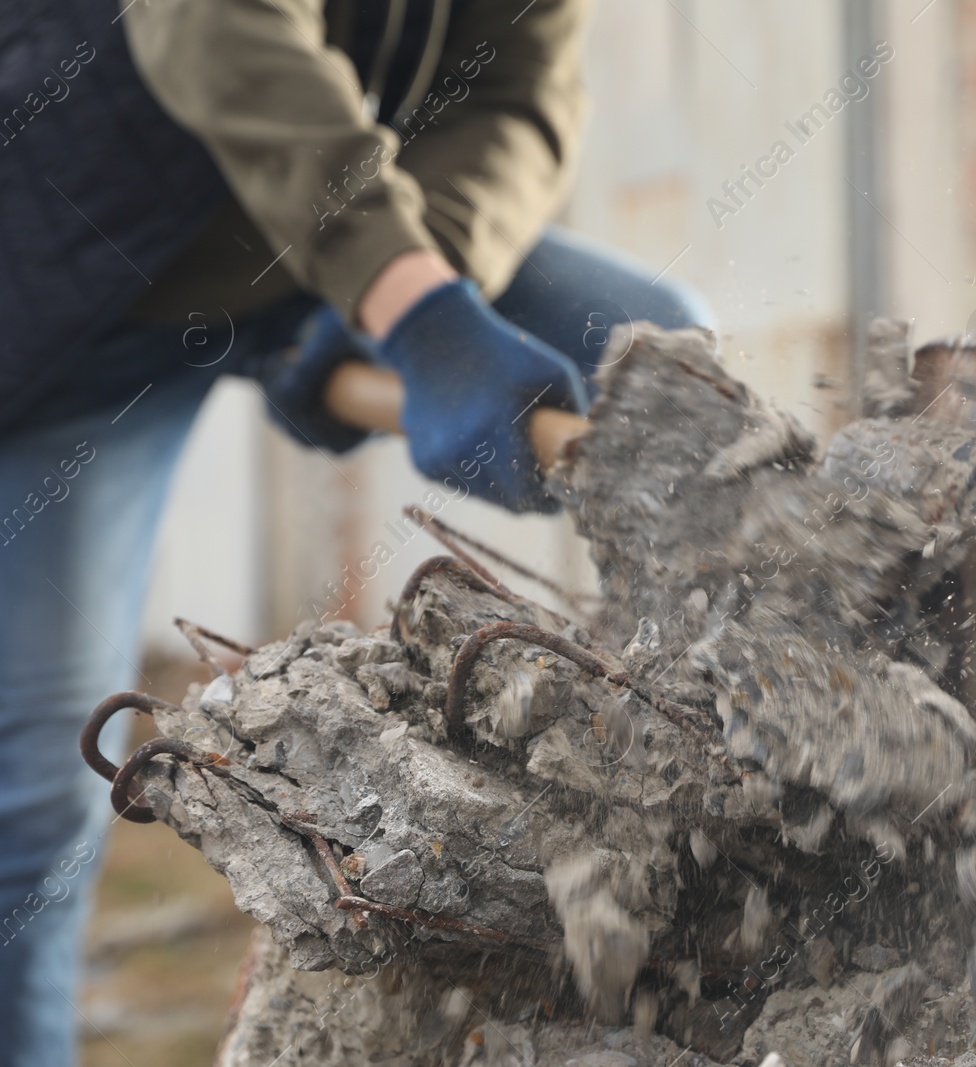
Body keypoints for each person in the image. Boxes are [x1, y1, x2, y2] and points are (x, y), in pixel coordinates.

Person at [0, 1, 710, 1062]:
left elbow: (516, 94)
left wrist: (416, 287)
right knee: (35, 791)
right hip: (87, 270)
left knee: (653, 359)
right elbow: (214, 24)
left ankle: (717, 783)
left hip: (325, 242)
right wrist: (417, 313)